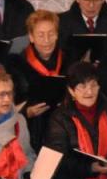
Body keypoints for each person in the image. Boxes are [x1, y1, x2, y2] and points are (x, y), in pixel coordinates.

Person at [8, 10, 69, 152]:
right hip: (32, 130)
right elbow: (9, 103)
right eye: (41, 35)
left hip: (64, 128)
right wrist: (25, 112)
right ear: (31, 37)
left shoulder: (69, 60)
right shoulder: (16, 64)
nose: (47, 40)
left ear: (57, 35)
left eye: (51, 34)